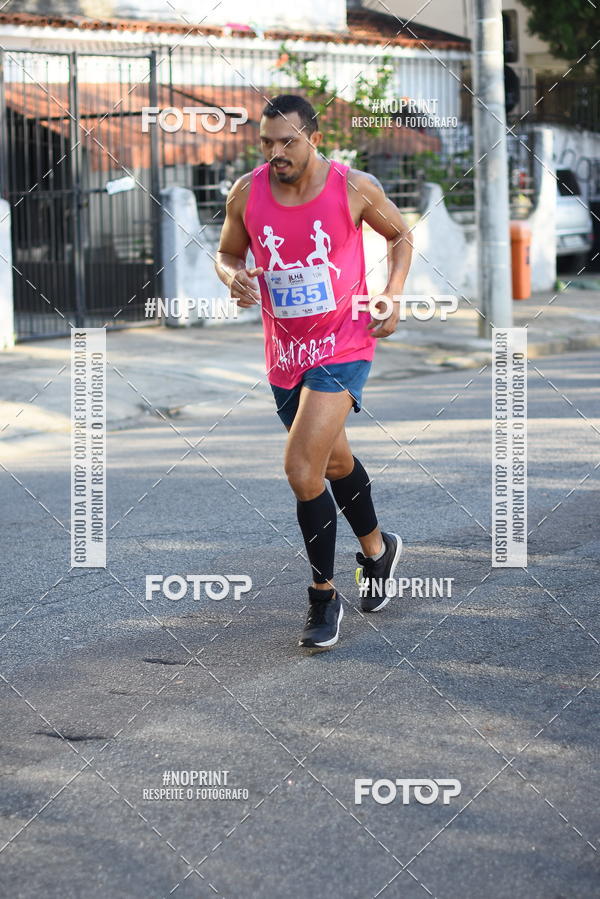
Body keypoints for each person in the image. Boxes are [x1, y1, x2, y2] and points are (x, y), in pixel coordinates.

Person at [215, 94, 412, 650]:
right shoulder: (246, 192)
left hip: (345, 343)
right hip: (284, 353)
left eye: (287, 142)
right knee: (335, 459)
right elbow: (227, 253)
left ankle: (323, 599)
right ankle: (378, 550)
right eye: (267, 143)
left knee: (303, 468)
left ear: (313, 138)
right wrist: (231, 276)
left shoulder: (354, 188)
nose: (276, 152)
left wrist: (393, 295)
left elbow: (399, 234)